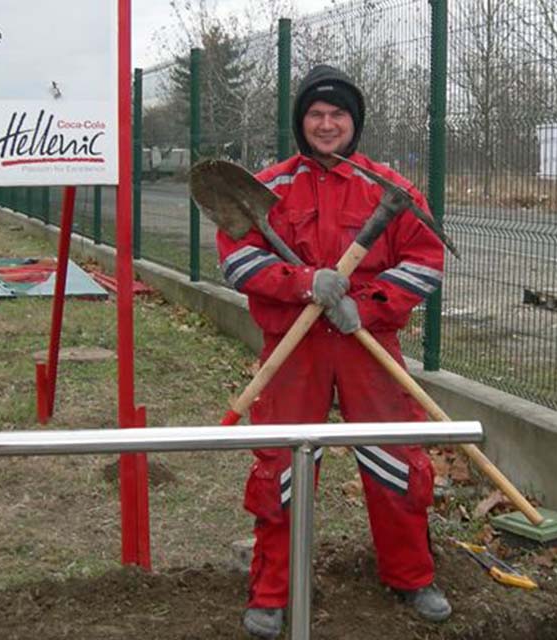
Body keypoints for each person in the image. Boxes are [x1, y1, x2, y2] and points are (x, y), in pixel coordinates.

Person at [215, 64, 449, 639]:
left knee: (396, 460)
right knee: (282, 467)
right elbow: (238, 261)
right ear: (301, 122)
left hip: (367, 344)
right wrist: (304, 283)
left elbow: (426, 261)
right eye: (315, 114)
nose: (326, 124)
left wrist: (367, 306)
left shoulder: (388, 189)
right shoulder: (268, 187)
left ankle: (411, 577)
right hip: (293, 348)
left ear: (354, 121)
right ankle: (272, 592)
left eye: (337, 114)